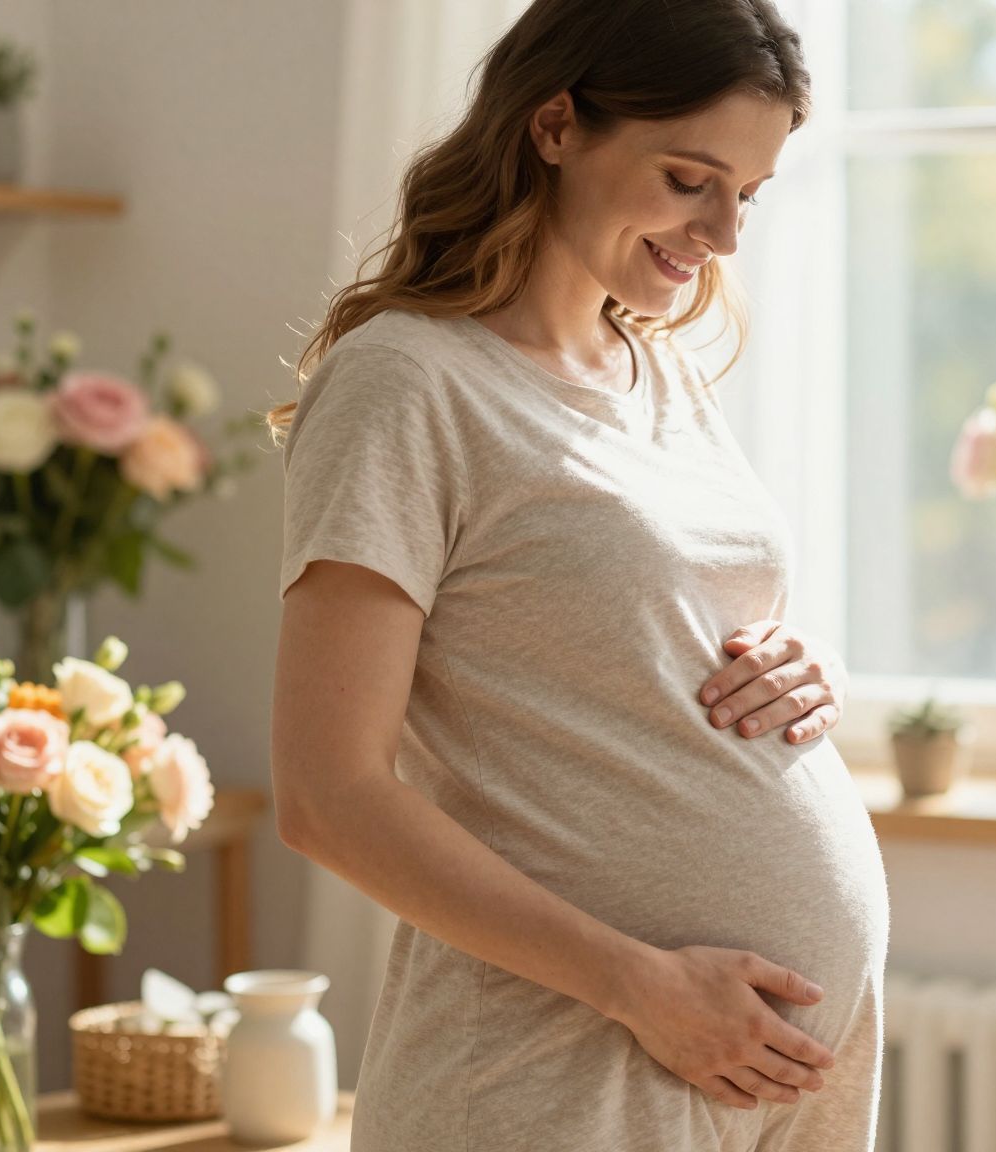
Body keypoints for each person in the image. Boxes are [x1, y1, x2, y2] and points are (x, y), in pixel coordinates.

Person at [263, 2, 889, 1148]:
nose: (722, 234)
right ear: (555, 125)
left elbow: (640, 646)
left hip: (756, 1075)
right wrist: (638, 986)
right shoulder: (407, 383)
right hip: (558, 1065)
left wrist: (806, 668)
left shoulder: (659, 371)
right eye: (690, 179)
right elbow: (326, 796)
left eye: (748, 195)